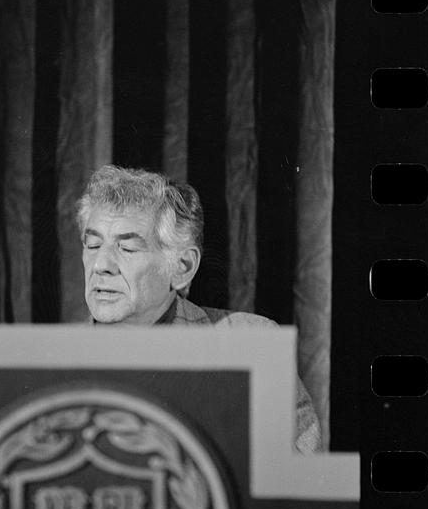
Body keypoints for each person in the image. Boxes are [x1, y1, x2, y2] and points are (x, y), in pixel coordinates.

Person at [77, 164, 321, 453]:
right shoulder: (48, 359)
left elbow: (300, 477)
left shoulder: (249, 345)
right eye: (92, 245)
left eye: (127, 249)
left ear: (183, 267)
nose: (100, 265)